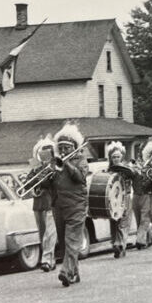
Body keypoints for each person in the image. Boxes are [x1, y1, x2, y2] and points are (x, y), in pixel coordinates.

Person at [50, 122, 89, 287]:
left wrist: (67, 164)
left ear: (74, 147)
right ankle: (74, 273)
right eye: (61, 147)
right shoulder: (55, 162)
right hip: (59, 205)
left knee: (72, 240)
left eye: (67, 147)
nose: (64, 151)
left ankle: (65, 271)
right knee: (64, 242)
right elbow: (49, 185)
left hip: (76, 205)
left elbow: (80, 177)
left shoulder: (81, 160)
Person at [25, 135, 59, 272]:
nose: (45, 153)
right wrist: (33, 186)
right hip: (38, 204)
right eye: (42, 150)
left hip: (51, 203)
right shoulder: (35, 168)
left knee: (50, 234)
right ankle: (52, 260)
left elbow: (55, 183)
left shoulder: (55, 166)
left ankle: (45, 260)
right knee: (43, 234)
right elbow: (27, 184)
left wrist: (48, 174)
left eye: (48, 150)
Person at [106, 141, 136, 258]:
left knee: (123, 222)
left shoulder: (127, 168)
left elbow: (134, 176)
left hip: (126, 197)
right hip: (113, 199)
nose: (116, 159)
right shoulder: (108, 170)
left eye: (118, 156)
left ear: (122, 157)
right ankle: (116, 244)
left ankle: (120, 244)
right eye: (113, 157)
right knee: (114, 222)